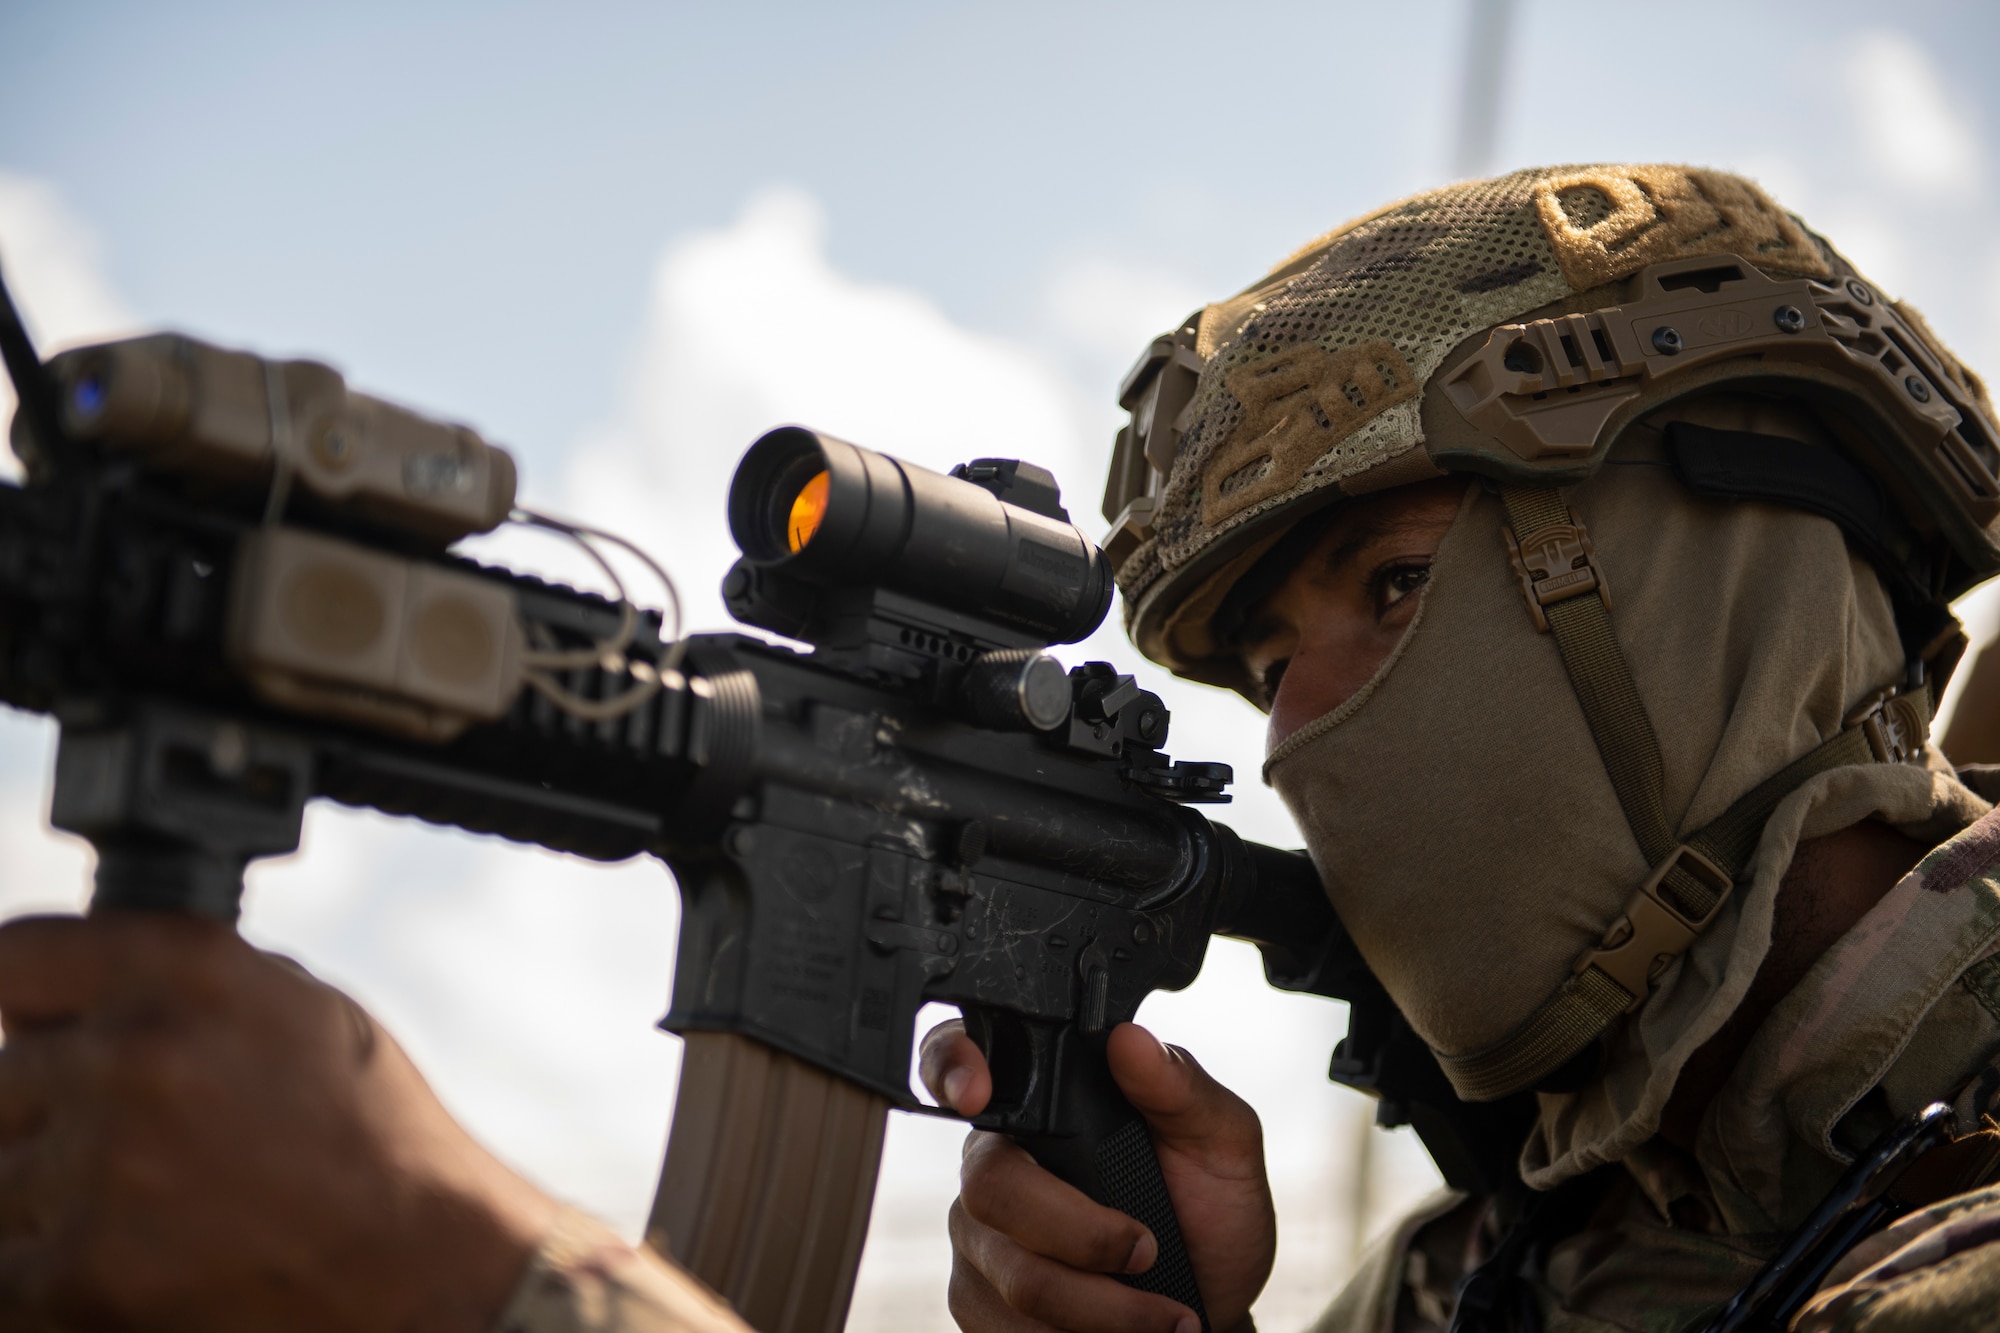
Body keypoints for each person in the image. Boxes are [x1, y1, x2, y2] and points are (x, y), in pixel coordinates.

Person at [923, 164, 2000, 1332]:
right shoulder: (1486, 1276)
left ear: (1734, 576)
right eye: (1272, 670)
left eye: (1397, 581)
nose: (1297, 731)